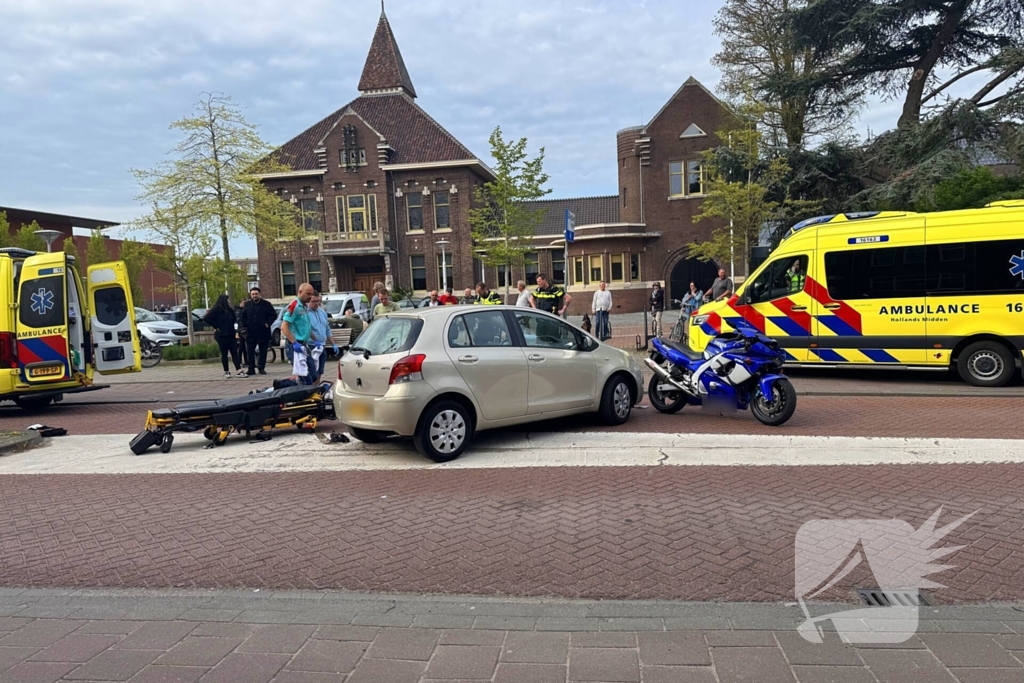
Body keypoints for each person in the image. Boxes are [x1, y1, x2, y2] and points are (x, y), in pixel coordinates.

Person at [281, 283, 318, 386]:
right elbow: (284, 326)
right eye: (308, 294)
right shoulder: (294, 306)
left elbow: (306, 327)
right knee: (306, 377)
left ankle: (293, 385)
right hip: (295, 345)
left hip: (304, 345)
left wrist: (316, 340)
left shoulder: (304, 307)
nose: (310, 297)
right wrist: (294, 342)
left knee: (314, 375)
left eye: (311, 294)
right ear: (300, 292)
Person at [203, 294, 246, 378]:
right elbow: (206, 318)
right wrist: (216, 326)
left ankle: (239, 370)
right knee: (224, 353)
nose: (229, 301)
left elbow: (234, 319)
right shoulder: (216, 310)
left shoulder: (229, 310)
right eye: (228, 300)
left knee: (234, 352)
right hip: (221, 334)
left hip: (230, 333)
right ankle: (226, 371)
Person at [240, 286, 277, 375]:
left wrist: (268, 323)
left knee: (263, 352)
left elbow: (273, 315)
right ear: (250, 295)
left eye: (256, 294)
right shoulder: (247, 305)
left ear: (259, 294)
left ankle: (261, 368)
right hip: (250, 332)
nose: (254, 296)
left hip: (263, 332)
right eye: (253, 294)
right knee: (250, 352)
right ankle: (251, 368)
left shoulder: (266, 304)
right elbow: (242, 316)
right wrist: (245, 325)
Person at [307, 293, 338, 382]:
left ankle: (316, 390)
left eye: (318, 301)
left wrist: (333, 344)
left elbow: (327, 329)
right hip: (311, 346)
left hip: (321, 346)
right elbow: (306, 329)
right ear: (308, 301)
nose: (316, 303)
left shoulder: (322, 312)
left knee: (320, 371)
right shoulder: (305, 313)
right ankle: (310, 390)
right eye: (313, 301)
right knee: (312, 372)